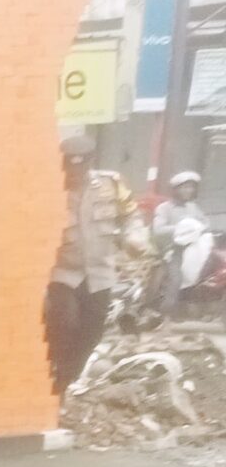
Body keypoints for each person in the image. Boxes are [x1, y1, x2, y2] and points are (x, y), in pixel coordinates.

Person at [46, 132, 147, 397]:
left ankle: (69, 378)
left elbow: (131, 215)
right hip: (63, 272)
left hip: (100, 272)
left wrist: (134, 236)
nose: (76, 171)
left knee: (93, 330)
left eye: (82, 165)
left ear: (91, 162)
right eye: (71, 165)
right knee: (65, 322)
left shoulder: (111, 184)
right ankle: (58, 374)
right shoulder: (51, 188)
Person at [151, 172, 210, 318]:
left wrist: (199, 227)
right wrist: (181, 228)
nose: (187, 191)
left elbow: (205, 223)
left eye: (190, 187)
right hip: (172, 250)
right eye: (184, 187)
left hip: (195, 250)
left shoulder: (193, 208)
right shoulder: (164, 208)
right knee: (176, 279)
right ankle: (166, 316)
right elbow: (158, 230)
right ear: (175, 190)